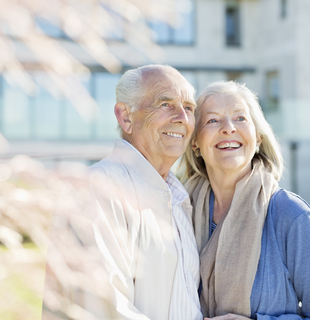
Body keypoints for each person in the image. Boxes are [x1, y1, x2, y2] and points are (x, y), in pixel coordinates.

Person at [182, 81, 310, 320]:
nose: (228, 128)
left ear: (258, 138)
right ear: (195, 142)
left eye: (240, 118)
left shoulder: (291, 214)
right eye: (212, 120)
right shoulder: (180, 210)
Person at [86, 64, 202, 319]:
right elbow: (106, 307)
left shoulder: (180, 197)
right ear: (126, 117)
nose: (182, 118)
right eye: (165, 104)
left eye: (189, 108)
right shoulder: (100, 187)